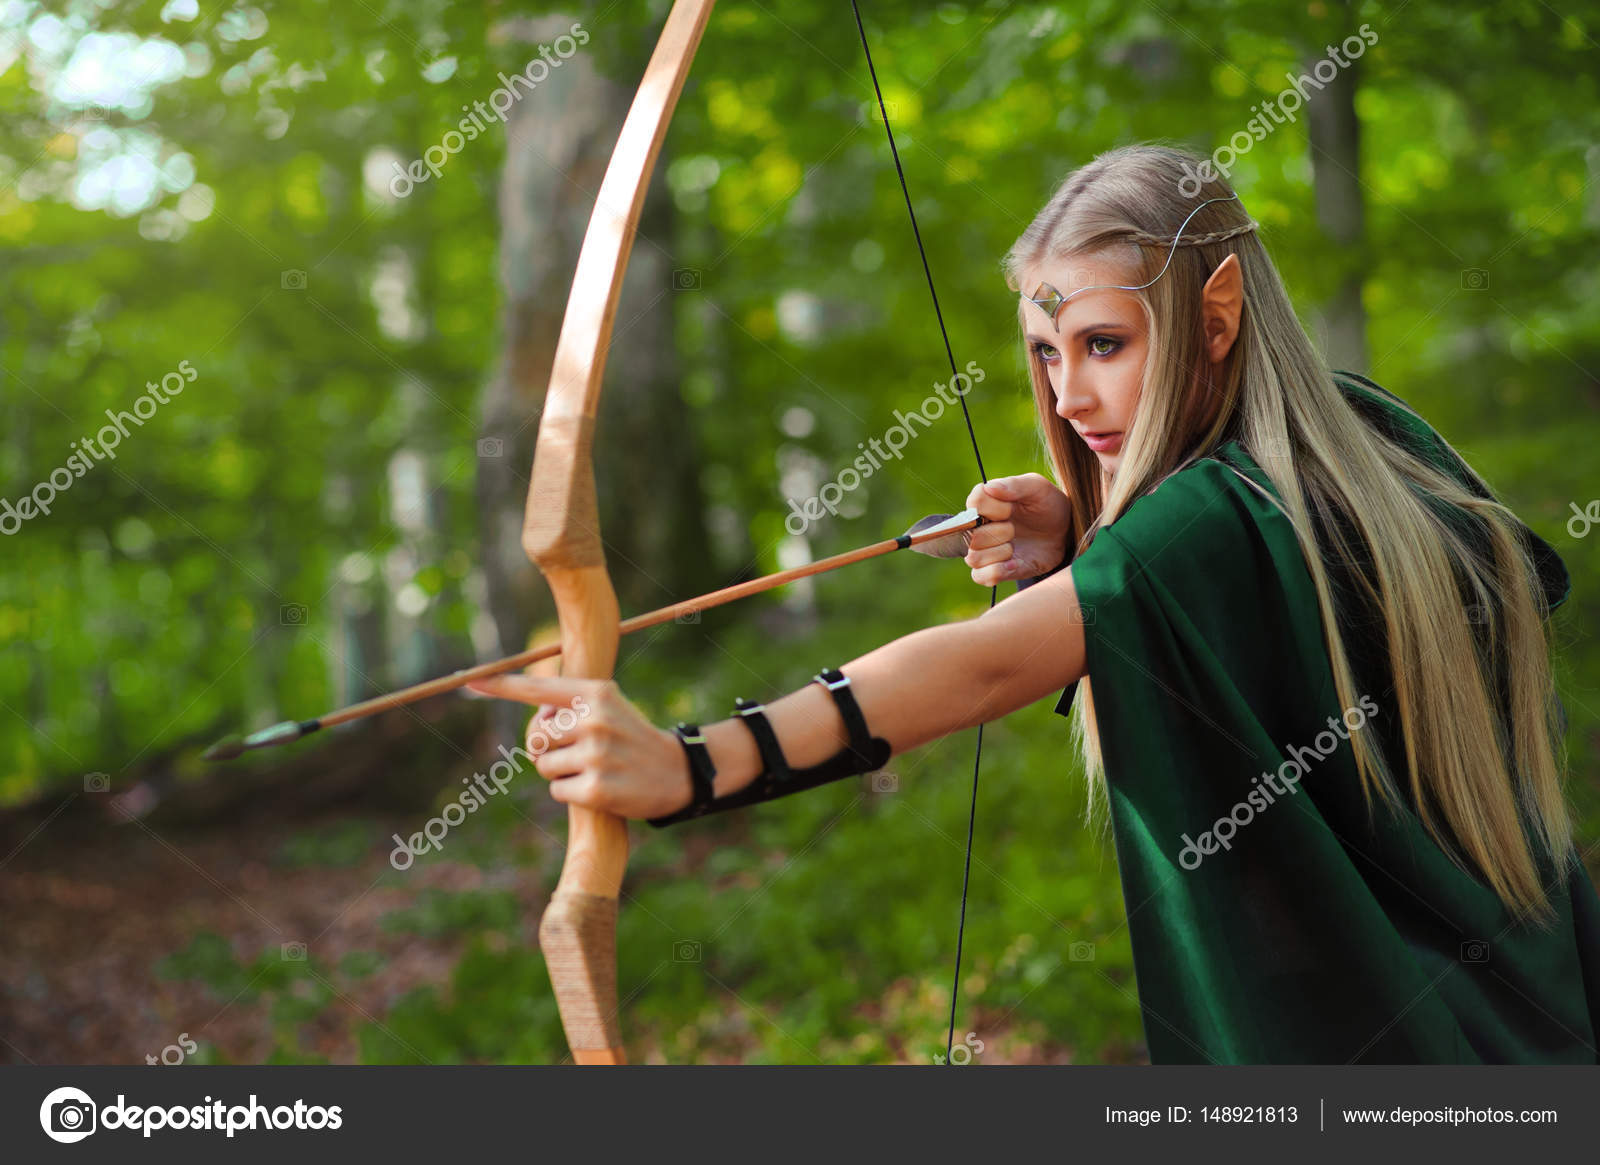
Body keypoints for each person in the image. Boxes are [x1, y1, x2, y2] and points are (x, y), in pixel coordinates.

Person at [469, 144, 1600, 1064]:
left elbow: (984, 663)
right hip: (1533, 1019)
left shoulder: (1199, 527)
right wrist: (1090, 540)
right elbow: (1298, 591)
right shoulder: (1366, 442)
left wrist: (689, 765)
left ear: (1218, 316)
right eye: (1047, 351)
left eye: (1104, 343)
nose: (1070, 393)